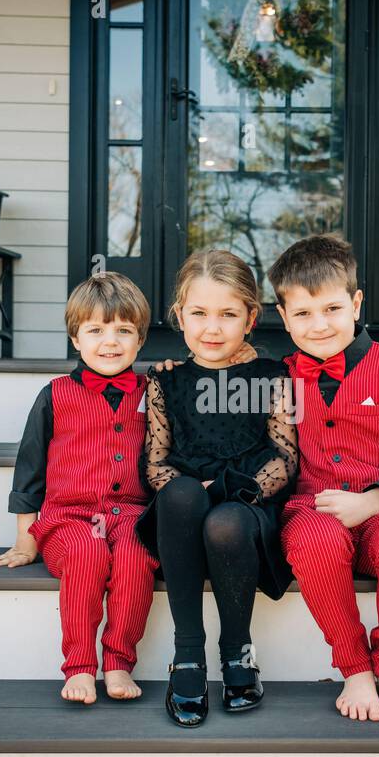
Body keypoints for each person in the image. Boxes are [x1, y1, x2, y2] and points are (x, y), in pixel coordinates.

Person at [271, 234, 379, 725]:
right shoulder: (277, 378)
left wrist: (373, 501)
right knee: (317, 543)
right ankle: (354, 668)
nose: (319, 325)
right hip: (312, 508)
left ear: (355, 304)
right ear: (283, 318)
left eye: (331, 308)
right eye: (302, 314)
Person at [137, 249, 298, 727]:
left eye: (228, 314)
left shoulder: (272, 377)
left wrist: (234, 489)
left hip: (248, 500)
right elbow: (156, 463)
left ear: (251, 319)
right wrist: (198, 490)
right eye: (199, 313)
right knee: (182, 494)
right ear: (179, 317)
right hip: (183, 507)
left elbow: (284, 455)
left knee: (226, 523)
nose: (212, 328)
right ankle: (187, 652)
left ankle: (237, 649)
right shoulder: (167, 381)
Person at [0, 272, 157, 705]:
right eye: (96, 330)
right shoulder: (55, 395)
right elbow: (29, 470)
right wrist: (25, 541)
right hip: (69, 518)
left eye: (124, 331)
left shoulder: (153, 392)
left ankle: (119, 659)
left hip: (132, 516)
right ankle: (81, 665)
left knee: (137, 558)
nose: (111, 341)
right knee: (87, 554)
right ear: (75, 339)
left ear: (140, 340)